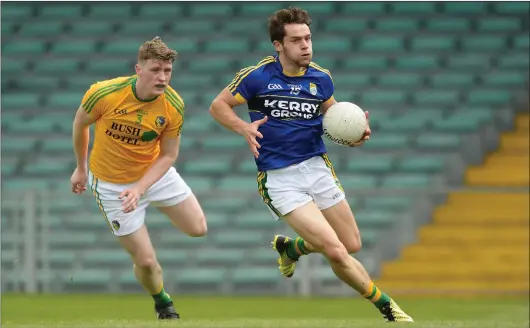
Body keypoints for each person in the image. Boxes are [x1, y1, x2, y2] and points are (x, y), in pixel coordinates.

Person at [209, 7, 413, 323]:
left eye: (308, 38)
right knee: (334, 249)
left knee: (351, 244)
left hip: (317, 169)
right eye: (296, 40)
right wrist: (243, 127)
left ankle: (293, 250)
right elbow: (218, 105)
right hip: (280, 179)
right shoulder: (258, 76)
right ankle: (387, 307)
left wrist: (354, 134)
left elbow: (334, 119)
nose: (305, 45)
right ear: (278, 45)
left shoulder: (321, 78)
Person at [70, 37, 207, 320]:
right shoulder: (104, 93)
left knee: (198, 228)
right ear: (138, 69)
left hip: (153, 176)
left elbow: (169, 155)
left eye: (167, 71)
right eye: (156, 70)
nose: (162, 77)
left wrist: (140, 187)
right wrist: (80, 168)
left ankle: (143, 203)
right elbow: (80, 123)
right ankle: (163, 302)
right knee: (145, 262)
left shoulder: (173, 105)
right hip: (111, 186)